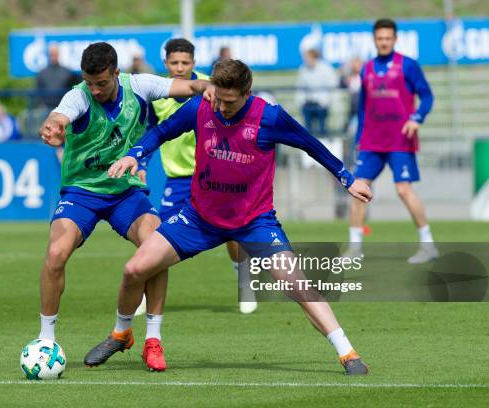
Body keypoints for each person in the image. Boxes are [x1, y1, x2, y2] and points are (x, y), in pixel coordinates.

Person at [86, 59, 373, 375]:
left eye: (230, 101)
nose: (221, 107)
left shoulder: (269, 116)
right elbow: (163, 131)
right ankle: (121, 333)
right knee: (133, 269)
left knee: (296, 284)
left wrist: (347, 178)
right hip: (199, 218)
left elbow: (311, 145)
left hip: (255, 221)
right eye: (218, 98)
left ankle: (347, 353)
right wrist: (134, 153)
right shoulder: (202, 106)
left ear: (247, 93)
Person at [37, 42, 214, 372]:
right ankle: (46, 341)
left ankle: (151, 340)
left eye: (102, 82)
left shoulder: (140, 86)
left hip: (124, 192)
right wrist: (53, 124)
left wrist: (209, 87)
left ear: (116, 73)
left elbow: (188, 85)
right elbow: (59, 115)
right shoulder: (78, 96)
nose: (95, 89)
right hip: (81, 193)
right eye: (89, 82)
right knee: (55, 254)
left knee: (158, 245)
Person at [145, 38, 257, 315]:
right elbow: (151, 131)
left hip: (215, 175)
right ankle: (145, 295)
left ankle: (244, 281)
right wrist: (141, 162)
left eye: (185, 62)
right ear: (166, 64)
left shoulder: (212, 87)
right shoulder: (158, 93)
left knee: (232, 233)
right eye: (175, 63)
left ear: (194, 64)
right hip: (178, 179)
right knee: (158, 233)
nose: (180, 67)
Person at [343, 18, 437, 264]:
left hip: (400, 140)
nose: (383, 42)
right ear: (374, 40)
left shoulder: (408, 66)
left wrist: (417, 118)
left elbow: (427, 96)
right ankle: (354, 249)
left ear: (395, 39)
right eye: (379, 38)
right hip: (372, 143)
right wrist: (360, 138)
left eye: (388, 38)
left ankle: (428, 246)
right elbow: (363, 108)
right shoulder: (366, 69)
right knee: (358, 191)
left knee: (404, 190)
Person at [294, 48, 338, 136]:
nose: (306, 59)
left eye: (307, 57)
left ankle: (322, 140)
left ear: (314, 57)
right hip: (308, 103)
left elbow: (333, 84)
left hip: (322, 104)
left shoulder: (326, 68)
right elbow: (300, 87)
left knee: (322, 129)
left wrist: (325, 101)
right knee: (307, 129)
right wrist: (301, 102)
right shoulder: (303, 69)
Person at [36, 44, 79, 112]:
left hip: (64, 109)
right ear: (49, 54)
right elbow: (38, 93)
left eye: (55, 53)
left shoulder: (68, 73)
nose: (53, 56)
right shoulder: (42, 73)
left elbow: (75, 91)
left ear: (58, 54)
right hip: (46, 109)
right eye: (51, 54)